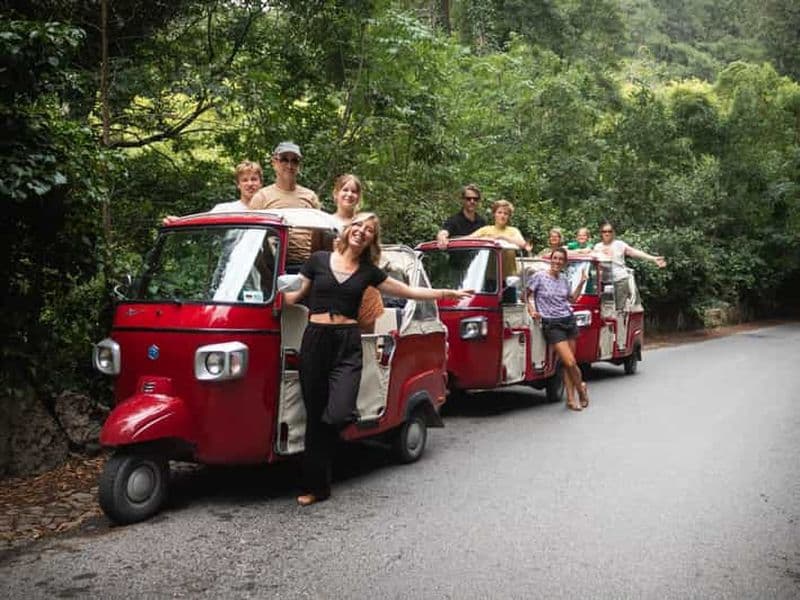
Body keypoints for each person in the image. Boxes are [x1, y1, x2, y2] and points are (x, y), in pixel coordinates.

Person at [283, 212, 473, 506]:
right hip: (316, 339)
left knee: (339, 411)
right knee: (315, 419)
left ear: (372, 239)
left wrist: (449, 292)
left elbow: (408, 290)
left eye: (369, 230)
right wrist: (269, 302)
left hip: (347, 343)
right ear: (348, 230)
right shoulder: (318, 260)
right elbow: (295, 295)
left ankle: (333, 450)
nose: (362, 231)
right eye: (358, 225)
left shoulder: (368, 271)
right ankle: (317, 487)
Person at [526, 247, 589, 412]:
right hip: (552, 324)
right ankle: (581, 389)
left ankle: (570, 399)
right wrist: (532, 310)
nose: (557, 262)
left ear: (564, 263)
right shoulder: (539, 277)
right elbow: (525, 295)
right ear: (551, 259)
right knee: (570, 361)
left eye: (561, 259)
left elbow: (572, 299)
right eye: (555, 258)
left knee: (568, 365)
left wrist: (582, 282)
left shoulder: (564, 279)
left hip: (568, 320)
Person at [328, 174, 384, 333]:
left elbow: (375, 254)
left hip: (362, 284)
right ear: (336, 193)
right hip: (332, 283)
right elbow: (315, 255)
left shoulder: (367, 222)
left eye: (354, 191)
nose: (349, 194)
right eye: (345, 190)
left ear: (359, 197)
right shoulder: (324, 222)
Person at [250, 141, 321, 263]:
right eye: (284, 160)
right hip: (274, 266)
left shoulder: (310, 196)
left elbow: (320, 236)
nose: (289, 165)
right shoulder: (261, 197)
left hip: (307, 265)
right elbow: (251, 238)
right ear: (274, 163)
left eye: (294, 161)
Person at [593, 220, 666, 309]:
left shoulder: (619, 244)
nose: (607, 233)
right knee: (602, 308)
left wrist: (653, 259)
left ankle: (620, 321)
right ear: (601, 233)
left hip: (619, 280)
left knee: (619, 309)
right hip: (603, 281)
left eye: (609, 231)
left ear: (613, 233)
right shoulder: (597, 247)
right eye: (604, 231)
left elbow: (634, 252)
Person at [162, 160, 262, 224]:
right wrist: (178, 222)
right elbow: (200, 224)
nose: (249, 184)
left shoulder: (270, 210)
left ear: (261, 183)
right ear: (238, 185)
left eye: (254, 179)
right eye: (244, 180)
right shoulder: (226, 210)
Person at [470, 199, 532, 276]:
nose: (502, 216)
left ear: (509, 216)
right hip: (488, 276)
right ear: (494, 214)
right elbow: (468, 239)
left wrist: (503, 237)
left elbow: (522, 244)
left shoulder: (513, 231)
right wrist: (484, 239)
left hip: (510, 278)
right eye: (499, 212)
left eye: (505, 213)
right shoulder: (485, 230)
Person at [436, 184, 487, 248]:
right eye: (468, 199)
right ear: (462, 200)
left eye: (475, 199)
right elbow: (444, 231)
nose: (472, 201)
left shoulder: (482, 222)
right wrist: (441, 237)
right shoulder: (454, 220)